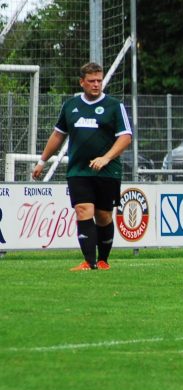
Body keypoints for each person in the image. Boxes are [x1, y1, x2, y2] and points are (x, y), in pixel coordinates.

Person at [32, 62, 132, 271]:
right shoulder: (70, 106)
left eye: (99, 80)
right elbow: (58, 134)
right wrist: (42, 161)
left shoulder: (114, 106)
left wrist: (106, 158)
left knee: (103, 216)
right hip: (79, 171)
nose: (96, 85)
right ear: (82, 82)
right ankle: (90, 262)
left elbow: (125, 137)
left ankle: (103, 260)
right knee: (82, 209)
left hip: (108, 171)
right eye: (91, 81)